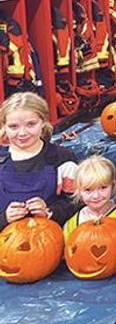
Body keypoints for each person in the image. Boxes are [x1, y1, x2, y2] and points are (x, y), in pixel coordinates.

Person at [0, 92, 77, 229]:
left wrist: (49, 212)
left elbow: (76, 201)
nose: (22, 133)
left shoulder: (62, 158)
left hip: (49, 239)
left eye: (31, 124)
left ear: (43, 122)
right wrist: (4, 218)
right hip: (5, 242)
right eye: (13, 126)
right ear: (4, 126)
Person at [63, 155, 116, 238]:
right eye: (88, 190)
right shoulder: (71, 225)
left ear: (112, 186)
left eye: (102, 188)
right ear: (78, 190)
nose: (96, 196)